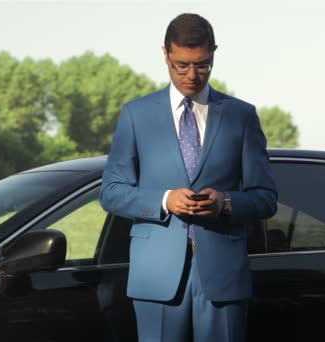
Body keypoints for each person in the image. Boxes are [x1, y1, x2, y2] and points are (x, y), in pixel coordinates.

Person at [99, 13, 278, 342]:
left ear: (213, 53)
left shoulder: (241, 116)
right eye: (181, 65)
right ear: (165, 54)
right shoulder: (136, 115)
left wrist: (224, 202)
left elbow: (266, 197)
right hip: (157, 276)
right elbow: (110, 192)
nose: (192, 75)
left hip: (223, 274)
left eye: (202, 65)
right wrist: (165, 199)